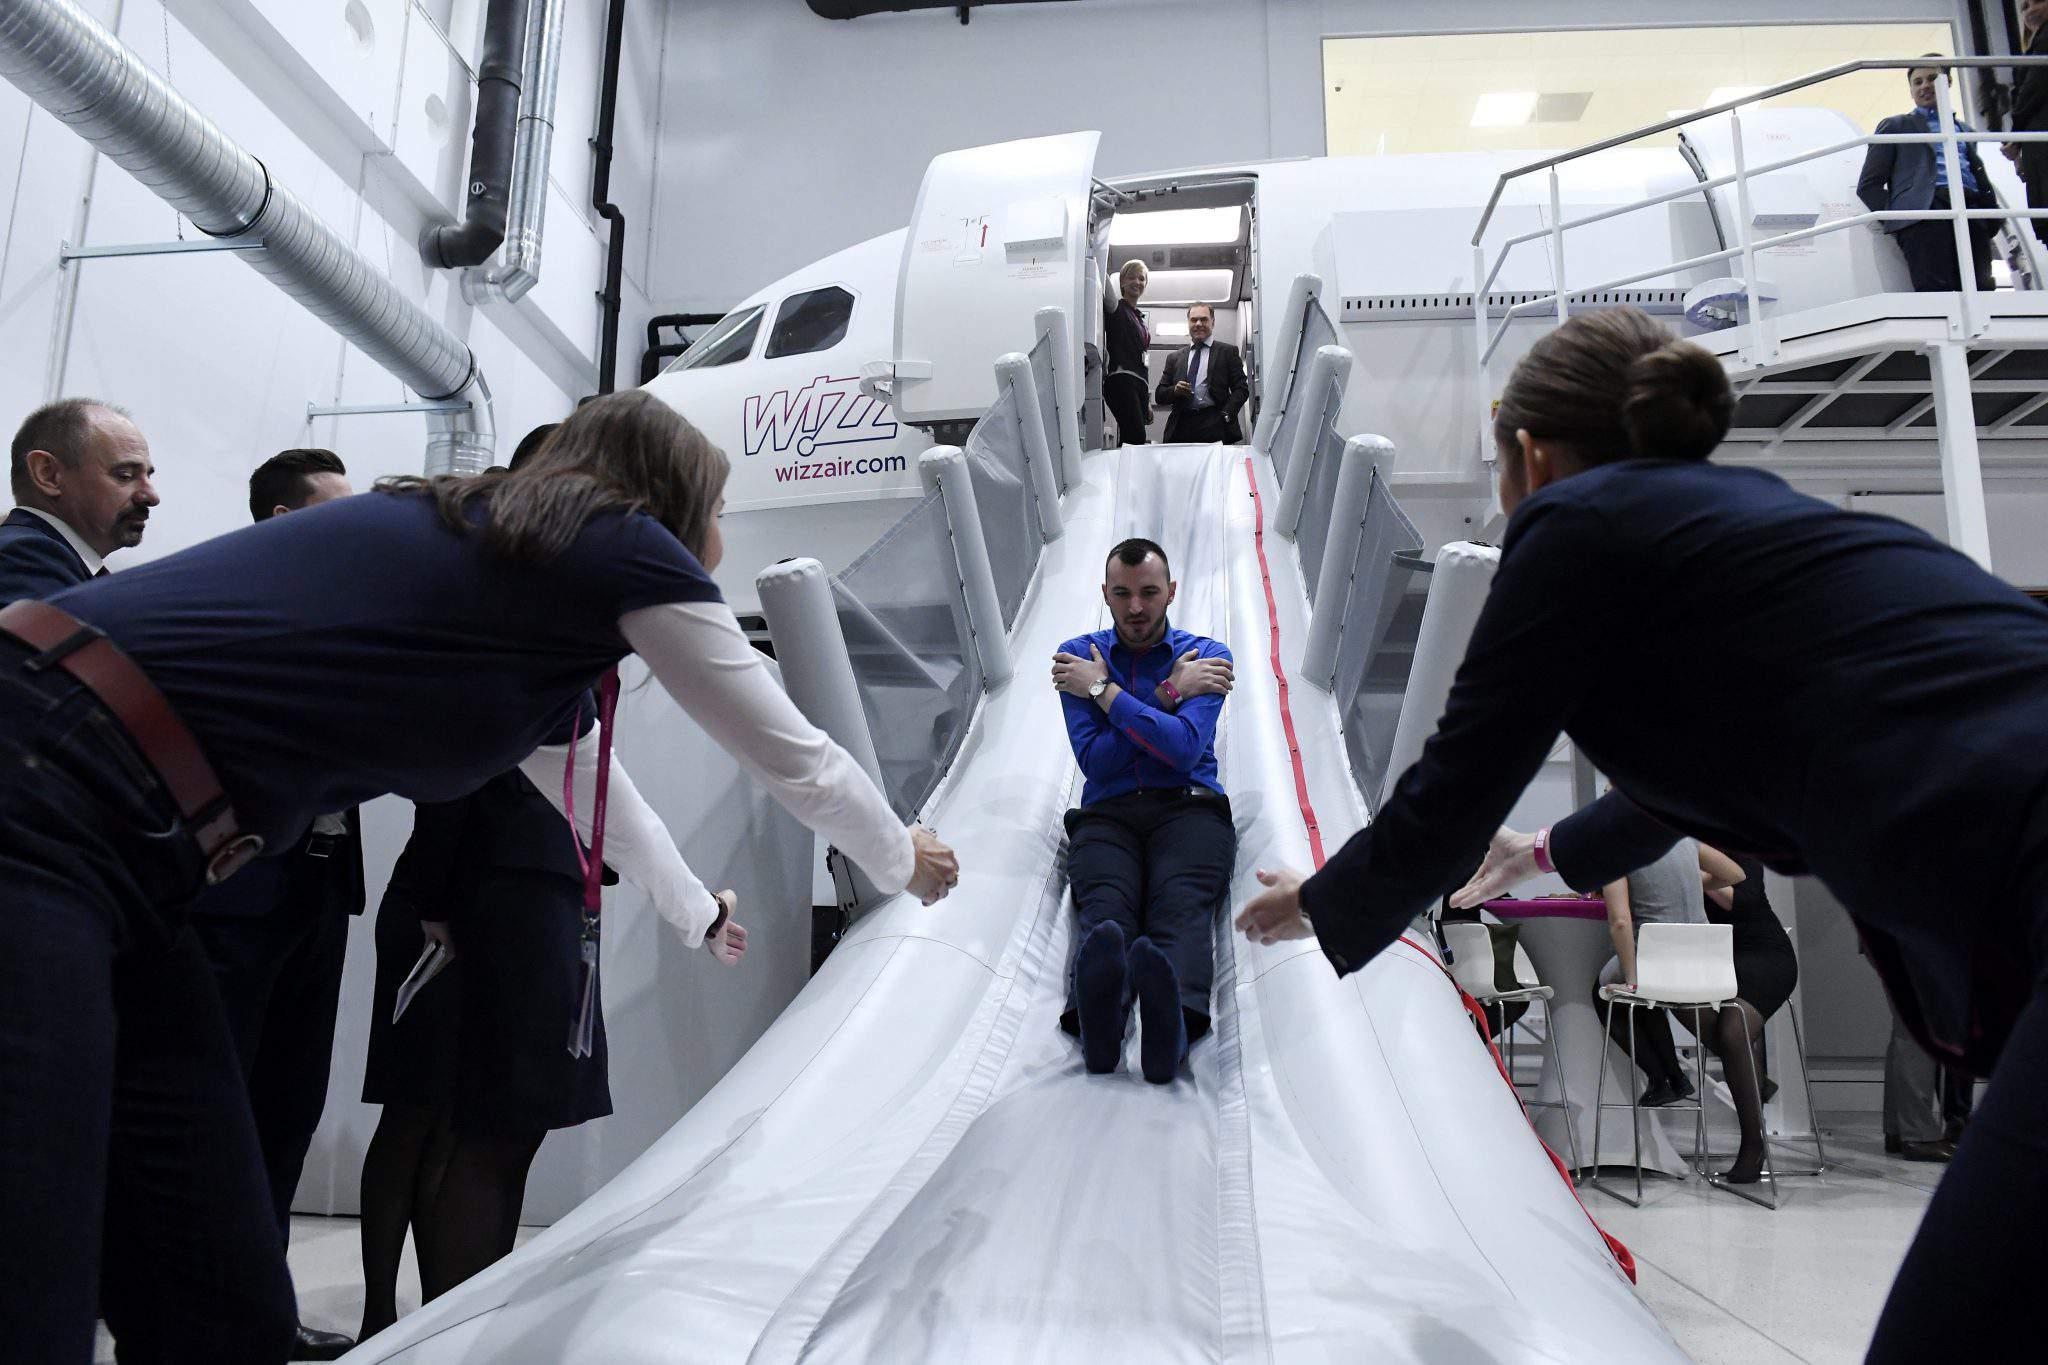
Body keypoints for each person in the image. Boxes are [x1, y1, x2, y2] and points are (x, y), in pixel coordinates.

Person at [0, 389, 959, 1363]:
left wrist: (693, 915)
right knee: (33, 1258)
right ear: (668, 500)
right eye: (716, 507)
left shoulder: (515, 608)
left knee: (218, 1293)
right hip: (40, 771)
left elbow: (604, 798)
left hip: (129, 848)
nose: (718, 537)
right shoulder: (616, 543)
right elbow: (791, 753)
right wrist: (904, 856)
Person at [1233, 305, 2048, 1362]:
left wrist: (1323, 898)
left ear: (1529, 455)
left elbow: (1457, 781)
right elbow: (1717, 754)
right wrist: (1545, 853)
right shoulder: (1748, 519)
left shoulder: (1572, 527)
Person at [184, 449, 362, 1361]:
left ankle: (264, 1309)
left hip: (321, 889)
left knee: (287, 1108)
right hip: (236, 895)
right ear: (287, 519)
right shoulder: (230, 607)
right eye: (338, 506)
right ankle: (188, 1306)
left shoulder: (346, 613)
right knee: (214, 1113)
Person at [1051, 538, 1234, 1083]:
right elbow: (1096, 760)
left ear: (1171, 592)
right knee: (1106, 912)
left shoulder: (1207, 655)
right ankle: (1099, 1028)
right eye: (1123, 593)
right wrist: (1168, 695)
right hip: (1107, 816)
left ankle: (1170, 1032)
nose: (1136, 607)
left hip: (1190, 810)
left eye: (1149, 593)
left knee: (1180, 905)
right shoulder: (1077, 657)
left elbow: (1183, 750)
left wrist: (1104, 693)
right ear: (1105, 593)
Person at [1857, 59, 2000, 292]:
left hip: (1971, 209)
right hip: (1926, 213)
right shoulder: (1896, 126)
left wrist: (1991, 216)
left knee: (1982, 287)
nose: (1924, 86)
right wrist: (1903, 220)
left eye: (1932, 79)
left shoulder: (1965, 131)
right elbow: (1868, 186)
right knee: (1935, 292)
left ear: (1948, 82)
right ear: (1911, 90)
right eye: (1917, 82)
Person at [0, 397, 157, 603]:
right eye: (125, 475)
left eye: (148, 477)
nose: (152, 496)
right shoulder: (26, 555)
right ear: (48, 474)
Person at [1154, 303, 1249, 445]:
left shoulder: (1228, 352)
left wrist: (1227, 414)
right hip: (1181, 427)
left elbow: (1241, 389)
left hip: (1215, 425)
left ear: (1213, 322)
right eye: (1194, 320)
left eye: (1204, 319)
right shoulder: (1174, 357)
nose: (1198, 324)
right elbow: (1159, 395)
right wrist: (1175, 390)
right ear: (1188, 323)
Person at [2006, 1, 2048, 240]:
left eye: (2038, 1)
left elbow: (2033, 89)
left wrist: (2015, 137)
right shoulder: (2034, 50)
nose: (2030, 10)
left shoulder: (2043, 42)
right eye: (2025, 6)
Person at [1103, 260, 1152, 446]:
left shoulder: (1141, 320)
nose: (1137, 282)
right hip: (1121, 379)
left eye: (1141, 278)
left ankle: (1124, 464)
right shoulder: (1116, 307)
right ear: (1122, 281)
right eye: (1131, 277)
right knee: (1135, 436)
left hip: (1139, 384)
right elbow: (1102, 277)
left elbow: (1145, 361)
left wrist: (1147, 401)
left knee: (1133, 437)